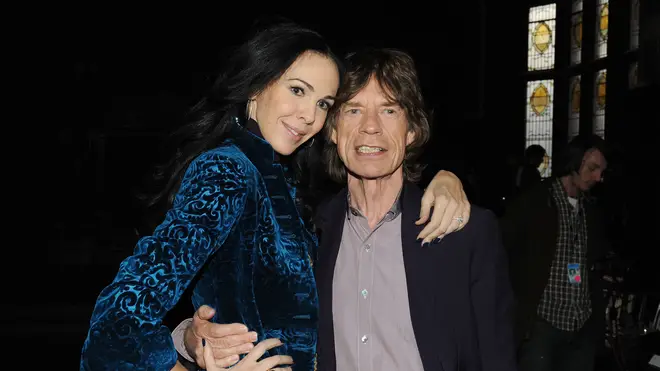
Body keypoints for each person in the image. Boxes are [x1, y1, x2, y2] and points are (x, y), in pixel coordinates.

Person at [80, 22, 469, 371]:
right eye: (297, 90)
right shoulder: (227, 171)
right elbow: (117, 323)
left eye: (323, 105)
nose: (309, 116)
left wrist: (444, 177)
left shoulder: (280, 182)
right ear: (255, 86)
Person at [182, 48, 513, 371]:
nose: (370, 126)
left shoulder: (465, 231)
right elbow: (237, 304)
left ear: (411, 130)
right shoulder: (303, 229)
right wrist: (192, 337)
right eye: (353, 110)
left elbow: (496, 355)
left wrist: (448, 174)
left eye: (389, 110)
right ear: (333, 130)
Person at [501, 134, 612, 371]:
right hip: (542, 326)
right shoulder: (535, 202)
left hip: (581, 327)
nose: (598, 177)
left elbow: (592, 264)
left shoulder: (591, 210)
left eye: (601, 171)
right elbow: (502, 250)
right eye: (593, 168)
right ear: (574, 161)